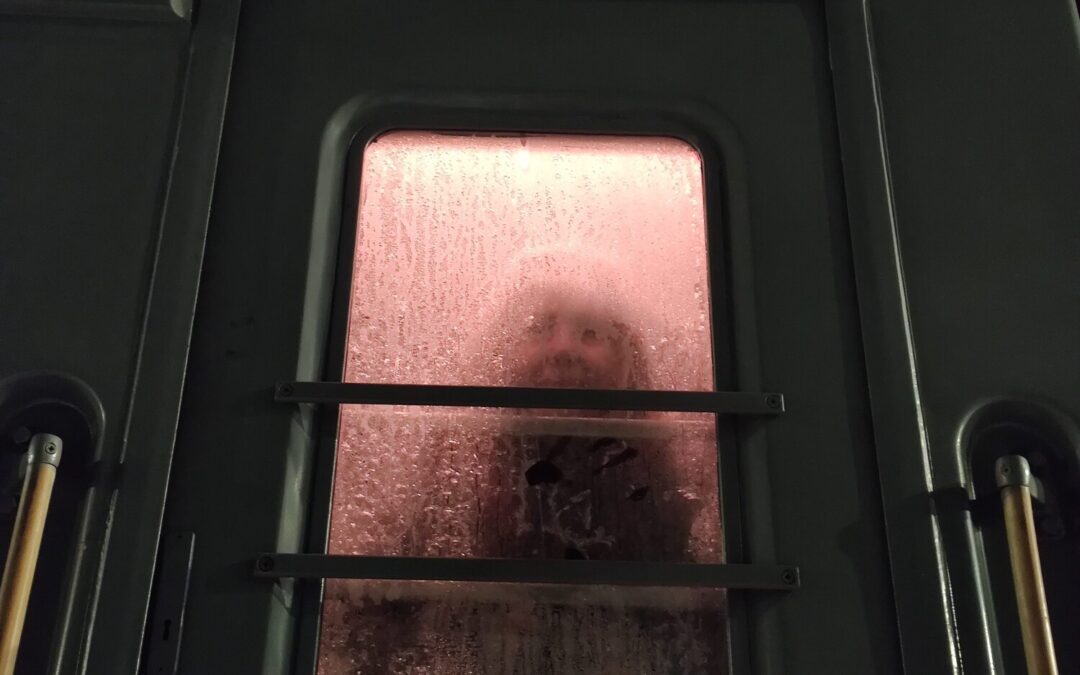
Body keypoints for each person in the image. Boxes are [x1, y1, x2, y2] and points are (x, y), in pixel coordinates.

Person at [320, 252, 726, 674]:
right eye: (539, 328)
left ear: (631, 365)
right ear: (501, 356)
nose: (563, 350)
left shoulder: (670, 485)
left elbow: (702, 631)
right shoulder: (456, 477)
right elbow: (375, 621)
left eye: (591, 333)